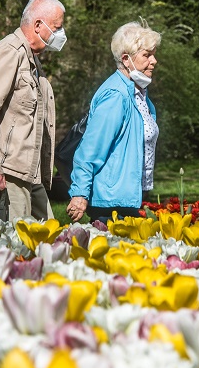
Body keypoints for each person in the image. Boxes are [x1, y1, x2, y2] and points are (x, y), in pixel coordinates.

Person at [0, 0, 65, 221]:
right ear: (38, 25)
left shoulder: (32, 59)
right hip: (8, 173)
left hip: (28, 173)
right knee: (18, 246)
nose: (61, 34)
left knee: (50, 236)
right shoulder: (10, 52)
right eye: (57, 28)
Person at [66, 21, 160, 223]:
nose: (154, 61)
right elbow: (91, 148)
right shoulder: (116, 95)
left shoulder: (138, 93)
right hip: (110, 203)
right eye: (147, 55)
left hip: (125, 199)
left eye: (153, 54)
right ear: (126, 59)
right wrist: (80, 194)